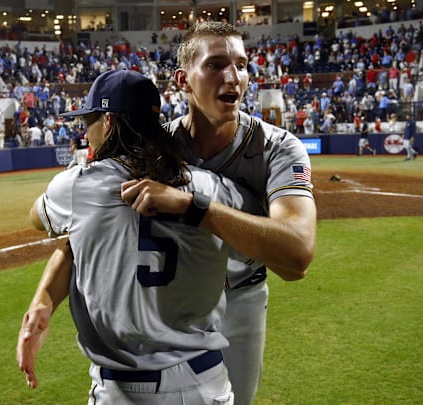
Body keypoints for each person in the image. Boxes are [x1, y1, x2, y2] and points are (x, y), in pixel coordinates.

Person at [17, 22, 317, 405]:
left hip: (241, 294)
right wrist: (44, 298)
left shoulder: (277, 147)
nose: (234, 77)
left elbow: (297, 258)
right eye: (216, 65)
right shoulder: (157, 145)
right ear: (183, 80)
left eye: (241, 65)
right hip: (172, 305)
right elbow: (85, 235)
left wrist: (194, 209)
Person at [21, 70, 248, 403]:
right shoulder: (209, 185)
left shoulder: (77, 186)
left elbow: (37, 219)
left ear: (109, 122)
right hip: (205, 382)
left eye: (90, 121)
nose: (86, 133)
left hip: (123, 389)